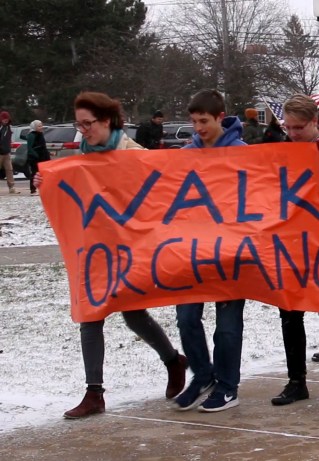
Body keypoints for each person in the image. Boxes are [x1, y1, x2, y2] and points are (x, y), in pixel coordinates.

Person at [34, 92, 187, 419]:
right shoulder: (83, 158)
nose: (82, 130)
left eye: (87, 124)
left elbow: (163, 194)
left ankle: (174, 361)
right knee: (90, 315)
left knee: (133, 315)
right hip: (95, 251)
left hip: (130, 250)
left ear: (107, 122)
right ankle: (95, 394)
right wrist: (45, 181)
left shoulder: (135, 154)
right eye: (79, 124)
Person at [269, 94, 319, 408]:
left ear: (316, 122)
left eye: (299, 127)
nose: (292, 133)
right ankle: (296, 381)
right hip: (290, 242)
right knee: (289, 313)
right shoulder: (281, 150)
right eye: (287, 127)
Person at [174, 89, 247, 413]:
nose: (198, 128)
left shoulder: (243, 153)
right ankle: (203, 375)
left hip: (231, 252)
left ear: (220, 118)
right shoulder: (186, 154)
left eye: (203, 121)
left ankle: (228, 386)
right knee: (186, 317)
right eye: (194, 122)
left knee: (227, 327)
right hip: (191, 251)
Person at [25, 120, 50, 195]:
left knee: (44, 173)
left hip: (43, 157)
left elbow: (42, 146)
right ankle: (33, 190)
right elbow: (30, 148)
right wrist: (37, 156)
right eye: (39, 126)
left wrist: (47, 153)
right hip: (35, 158)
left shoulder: (40, 134)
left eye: (41, 125)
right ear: (34, 127)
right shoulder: (32, 135)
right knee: (35, 173)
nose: (41, 127)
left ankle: (44, 188)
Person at [1, 111, 20, 194]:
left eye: (7, 119)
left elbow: (9, 139)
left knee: (9, 170)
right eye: (4, 119)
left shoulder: (9, 128)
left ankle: (11, 187)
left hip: (7, 152)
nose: (6, 120)